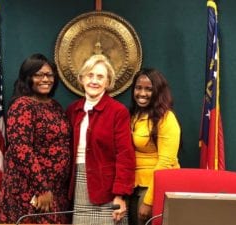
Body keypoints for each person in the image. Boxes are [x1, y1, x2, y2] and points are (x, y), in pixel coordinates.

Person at [0, 53, 72, 224]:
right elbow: (21, 150)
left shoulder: (55, 106)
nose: (45, 79)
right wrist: (42, 188)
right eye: (38, 75)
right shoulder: (22, 106)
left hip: (55, 191)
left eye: (49, 75)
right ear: (27, 78)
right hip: (31, 190)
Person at [66, 54, 136, 225]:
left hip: (108, 190)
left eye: (100, 77)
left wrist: (120, 195)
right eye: (90, 75)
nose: (94, 81)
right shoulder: (72, 110)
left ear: (108, 82)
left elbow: (125, 156)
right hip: (79, 183)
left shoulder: (118, 111)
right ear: (81, 79)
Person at [128, 68, 181, 225]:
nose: (142, 93)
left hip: (153, 188)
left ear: (158, 91)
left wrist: (149, 201)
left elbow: (165, 163)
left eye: (148, 89)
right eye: (138, 88)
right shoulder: (134, 115)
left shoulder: (166, 118)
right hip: (134, 186)